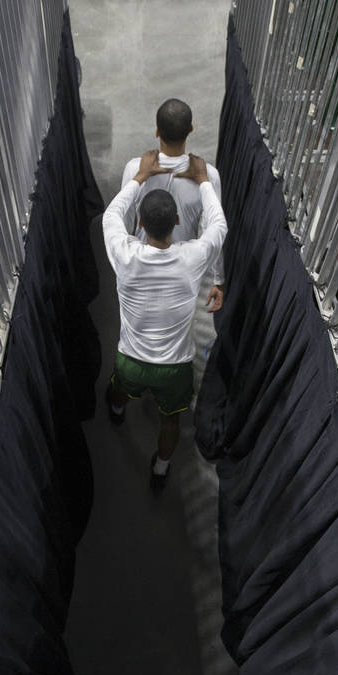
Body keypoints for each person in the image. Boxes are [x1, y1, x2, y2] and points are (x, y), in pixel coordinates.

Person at [102, 148, 227, 491]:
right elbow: (218, 224)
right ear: (176, 223)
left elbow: (112, 214)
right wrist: (203, 181)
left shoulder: (124, 254)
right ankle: (160, 469)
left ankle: (116, 412)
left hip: (131, 360)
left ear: (140, 224)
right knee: (171, 422)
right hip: (175, 368)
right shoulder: (194, 258)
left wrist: (140, 176)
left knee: (118, 389)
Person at [120, 98, 222, 246]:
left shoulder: (134, 170)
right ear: (191, 129)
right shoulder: (208, 176)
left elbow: (124, 224)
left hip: (142, 260)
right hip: (186, 263)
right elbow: (211, 232)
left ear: (157, 132)